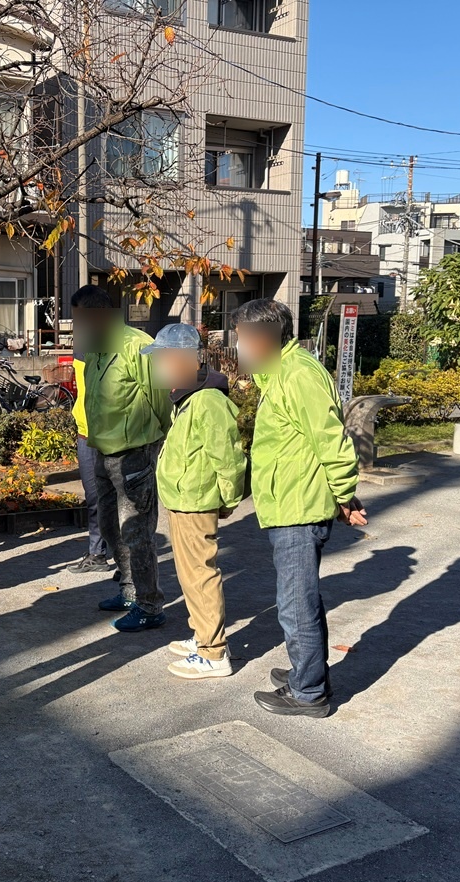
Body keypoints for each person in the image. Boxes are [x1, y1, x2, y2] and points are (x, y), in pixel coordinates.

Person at [235, 298, 365, 718]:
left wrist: (344, 495)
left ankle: (308, 693)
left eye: (243, 339)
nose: (239, 347)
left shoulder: (298, 375)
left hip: (298, 507)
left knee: (295, 602)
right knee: (300, 598)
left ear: (267, 338)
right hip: (290, 503)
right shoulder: (278, 372)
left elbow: (332, 440)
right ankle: (306, 672)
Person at [143, 323, 246, 679]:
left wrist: (229, 498)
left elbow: (229, 456)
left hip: (196, 502)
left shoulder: (208, 401)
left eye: (161, 358)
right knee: (189, 575)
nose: (157, 365)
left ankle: (213, 652)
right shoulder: (188, 396)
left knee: (200, 575)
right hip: (183, 498)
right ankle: (203, 635)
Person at [72, 285, 172, 632]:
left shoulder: (137, 345)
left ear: (99, 315)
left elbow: (160, 396)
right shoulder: (95, 349)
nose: (76, 327)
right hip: (101, 450)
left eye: (80, 320)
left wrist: (156, 438)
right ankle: (129, 590)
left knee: (137, 530)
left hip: (134, 452)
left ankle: (149, 604)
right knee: (112, 527)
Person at [65, 349, 112, 574]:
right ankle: (97, 553)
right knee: (94, 497)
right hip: (86, 434)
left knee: (125, 500)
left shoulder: (128, 345)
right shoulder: (81, 351)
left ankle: (130, 563)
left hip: (118, 434)